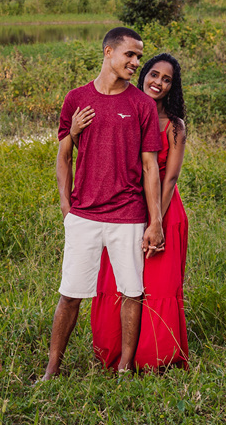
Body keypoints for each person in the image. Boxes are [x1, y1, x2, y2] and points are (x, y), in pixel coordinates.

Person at [41, 27, 164, 379]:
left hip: (128, 215)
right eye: (131, 55)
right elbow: (63, 157)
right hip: (85, 214)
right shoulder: (75, 98)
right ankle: (52, 368)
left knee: (131, 291)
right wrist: (67, 206)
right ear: (109, 52)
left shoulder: (141, 104)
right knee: (70, 293)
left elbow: (150, 166)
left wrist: (154, 220)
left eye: (139, 56)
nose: (136, 62)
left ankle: (125, 367)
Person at [88, 52, 189, 370]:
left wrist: (154, 221)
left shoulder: (174, 126)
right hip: (124, 211)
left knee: (157, 285)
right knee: (119, 281)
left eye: (166, 79)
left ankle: (152, 356)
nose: (158, 82)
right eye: (154, 74)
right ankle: (117, 353)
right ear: (143, 74)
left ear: (172, 87)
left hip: (163, 212)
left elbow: (170, 178)